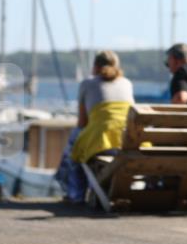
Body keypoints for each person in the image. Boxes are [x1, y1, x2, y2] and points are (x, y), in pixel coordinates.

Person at [55, 51, 134, 202]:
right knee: (79, 145)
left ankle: (76, 194)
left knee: (74, 150)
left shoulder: (87, 83)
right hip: (127, 141)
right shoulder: (127, 83)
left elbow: (82, 123)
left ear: (95, 67)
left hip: (102, 141)